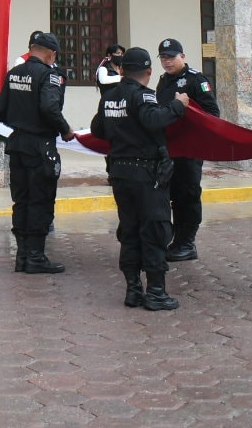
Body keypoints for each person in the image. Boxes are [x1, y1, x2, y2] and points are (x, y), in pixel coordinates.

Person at [92, 46, 190, 310]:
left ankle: (133, 290)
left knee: (130, 230)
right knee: (155, 230)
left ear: (122, 70)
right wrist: (178, 106)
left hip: (120, 173)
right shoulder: (144, 96)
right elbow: (153, 119)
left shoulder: (109, 97)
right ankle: (156, 293)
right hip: (146, 174)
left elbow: (97, 129)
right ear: (148, 71)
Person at [0, 30, 73, 274]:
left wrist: (21, 122)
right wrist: (65, 129)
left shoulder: (13, 74)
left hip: (17, 144)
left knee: (22, 201)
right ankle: (36, 256)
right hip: (40, 146)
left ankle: (23, 255)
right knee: (40, 201)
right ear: (51, 54)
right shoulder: (49, 76)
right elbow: (50, 107)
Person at [154, 38, 218, 262]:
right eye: (163, 57)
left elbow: (211, 113)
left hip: (188, 150)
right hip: (168, 149)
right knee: (167, 195)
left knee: (187, 196)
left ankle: (186, 243)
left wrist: (185, 111)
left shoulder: (196, 80)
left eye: (171, 57)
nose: (167, 61)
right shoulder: (164, 81)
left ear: (183, 56)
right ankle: (172, 239)